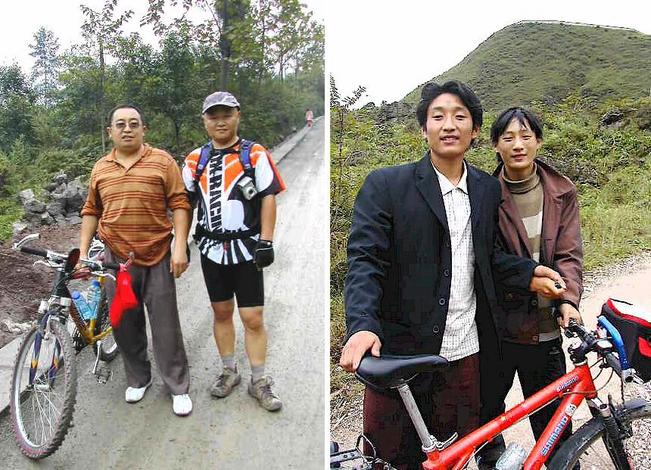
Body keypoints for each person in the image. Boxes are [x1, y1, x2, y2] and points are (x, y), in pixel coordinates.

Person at [339, 81, 567, 469]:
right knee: (391, 458)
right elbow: (365, 261)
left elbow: (488, 257)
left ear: (475, 130)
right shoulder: (387, 185)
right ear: (423, 128)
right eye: (438, 116)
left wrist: (528, 273)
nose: (449, 125)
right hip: (401, 352)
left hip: (464, 355)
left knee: (454, 456)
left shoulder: (485, 189)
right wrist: (361, 324)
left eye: (460, 117)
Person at [477, 107, 583, 468]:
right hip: (498, 329)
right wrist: (526, 275)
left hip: (546, 330)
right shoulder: (484, 196)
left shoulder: (562, 192)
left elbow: (569, 253)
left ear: (538, 141)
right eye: (508, 137)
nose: (517, 145)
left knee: (553, 424)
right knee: (487, 417)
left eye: (525, 136)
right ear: (495, 145)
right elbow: (484, 260)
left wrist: (568, 299)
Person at [79, 104, 193, 416]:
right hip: (116, 259)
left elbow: (180, 203)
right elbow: (91, 210)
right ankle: (138, 378)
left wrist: (180, 246)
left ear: (144, 130)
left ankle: (177, 386)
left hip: (157, 253)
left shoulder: (162, 161)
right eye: (120, 124)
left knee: (165, 324)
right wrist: (83, 252)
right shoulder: (101, 168)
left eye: (133, 124)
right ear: (110, 132)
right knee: (124, 323)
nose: (127, 129)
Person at [182, 91, 286, 411]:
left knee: (252, 316)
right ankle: (230, 371)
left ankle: (259, 380)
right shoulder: (193, 161)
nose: (220, 121)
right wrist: (180, 245)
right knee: (222, 312)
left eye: (226, 114)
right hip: (211, 249)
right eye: (213, 115)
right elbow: (183, 205)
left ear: (237, 115)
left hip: (246, 247)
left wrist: (266, 241)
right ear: (205, 120)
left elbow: (268, 196)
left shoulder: (254, 154)